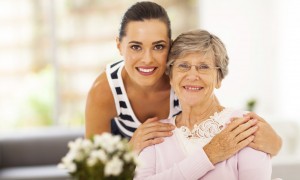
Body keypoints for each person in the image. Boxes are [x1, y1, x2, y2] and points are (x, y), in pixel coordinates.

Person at [85, 1, 281, 157]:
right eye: (136, 46)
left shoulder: (183, 82)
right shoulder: (105, 90)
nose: (147, 59)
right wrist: (131, 147)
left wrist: (273, 142)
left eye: (158, 46)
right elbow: (91, 167)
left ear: (169, 46)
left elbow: (215, 126)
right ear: (119, 46)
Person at [134, 29, 272, 180]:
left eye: (204, 67)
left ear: (219, 79)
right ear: (171, 77)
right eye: (183, 66)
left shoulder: (243, 126)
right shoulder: (154, 134)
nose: (192, 75)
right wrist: (208, 155)